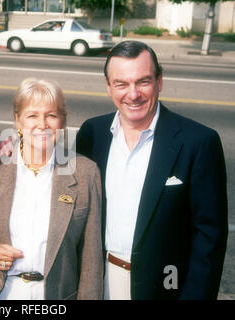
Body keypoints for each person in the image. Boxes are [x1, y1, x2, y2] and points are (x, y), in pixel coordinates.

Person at [76, 40, 228, 300]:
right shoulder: (92, 133)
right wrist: (13, 148)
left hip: (162, 288)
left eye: (143, 81)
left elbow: (209, 240)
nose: (133, 94)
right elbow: (57, 183)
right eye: (121, 84)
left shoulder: (198, 142)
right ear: (109, 87)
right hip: (96, 282)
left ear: (159, 81)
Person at [0, 78, 103, 300]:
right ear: (18, 122)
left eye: (51, 115)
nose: (42, 124)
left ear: (62, 123)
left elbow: (91, 259)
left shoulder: (85, 173)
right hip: (3, 293)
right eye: (32, 115)